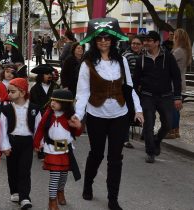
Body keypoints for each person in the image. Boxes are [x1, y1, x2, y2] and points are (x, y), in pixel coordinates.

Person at [69, 18, 144, 210]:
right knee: (96, 154)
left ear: (113, 40)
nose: (104, 41)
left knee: (115, 158)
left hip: (120, 114)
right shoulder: (87, 64)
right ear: (94, 41)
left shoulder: (122, 60)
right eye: (100, 38)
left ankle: (113, 198)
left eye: (107, 38)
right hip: (96, 115)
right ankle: (88, 184)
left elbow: (130, 88)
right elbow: (83, 92)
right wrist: (78, 115)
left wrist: (138, 109)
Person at [134, 30, 182, 163]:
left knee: (168, 124)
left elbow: (176, 77)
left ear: (156, 42)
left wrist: (177, 96)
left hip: (166, 96)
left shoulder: (168, 57)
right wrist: (137, 99)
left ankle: (157, 140)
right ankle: (150, 152)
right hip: (147, 96)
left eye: (149, 41)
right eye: (145, 41)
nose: (146, 43)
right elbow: (135, 81)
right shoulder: (141, 59)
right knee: (148, 124)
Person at [33, 89, 82, 210]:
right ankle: (52, 201)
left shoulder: (70, 116)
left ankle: (61, 191)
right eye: (52, 100)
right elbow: (40, 128)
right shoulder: (48, 113)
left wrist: (78, 126)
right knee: (55, 175)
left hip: (65, 149)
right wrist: (36, 143)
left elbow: (77, 133)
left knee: (63, 175)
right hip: (52, 149)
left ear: (65, 104)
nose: (53, 103)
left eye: (57, 101)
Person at [0, 78, 41, 209]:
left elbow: (39, 127)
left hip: (27, 142)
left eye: (12, 92)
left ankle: (24, 197)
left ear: (22, 93)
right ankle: (15, 191)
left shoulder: (34, 109)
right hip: (12, 141)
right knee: (12, 168)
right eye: (8, 91)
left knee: (24, 170)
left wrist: (39, 143)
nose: (9, 94)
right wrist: (5, 146)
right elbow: (2, 129)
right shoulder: (6, 109)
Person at [165, 29, 192, 139]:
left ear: (178, 38)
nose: (173, 38)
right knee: (176, 108)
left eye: (174, 36)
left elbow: (167, 63)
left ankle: (172, 130)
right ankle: (176, 131)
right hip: (181, 82)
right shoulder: (186, 50)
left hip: (174, 83)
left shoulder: (179, 51)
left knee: (172, 108)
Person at [121, 35, 144, 148]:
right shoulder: (126, 55)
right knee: (127, 113)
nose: (135, 45)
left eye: (137, 44)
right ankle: (125, 138)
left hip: (141, 88)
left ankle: (145, 135)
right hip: (128, 88)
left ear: (142, 45)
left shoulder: (144, 56)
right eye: (133, 43)